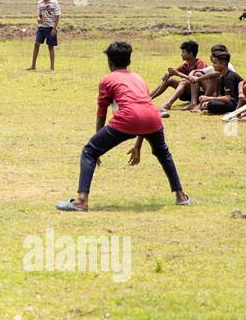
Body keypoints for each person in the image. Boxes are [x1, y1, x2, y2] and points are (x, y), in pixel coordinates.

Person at [58, 41, 189, 211]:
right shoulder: (138, 78)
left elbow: (102, 112)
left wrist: (98, 147)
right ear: (129, 61)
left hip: (128, 119)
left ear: (110, 62)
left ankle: (81, 201)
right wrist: (138, 145)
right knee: (163, 153)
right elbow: (143, 109)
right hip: (153, 118)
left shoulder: (107, 79)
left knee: (89, 151)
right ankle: (181, 196)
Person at [152, 39, 207, 108]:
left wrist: (178, 73)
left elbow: (196, 80)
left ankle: (168, 103)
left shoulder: (200, 63)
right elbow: (174, 72)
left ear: (190, 53)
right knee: (170, 80)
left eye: (183, 52)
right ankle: (148, 98)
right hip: (189, 93)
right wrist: (168, 75)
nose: (181, 54)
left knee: (184, 81)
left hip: (201, 93)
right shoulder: (186, 65)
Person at [194, 47, 243, 115]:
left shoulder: (229, 77)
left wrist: (208, 98)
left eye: (215, 63)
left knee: (210, 104)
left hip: (235, 103)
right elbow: (221, 95)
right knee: (209, 103)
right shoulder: (222, 76)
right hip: (228, 102)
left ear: (223, 64)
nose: (213, 66)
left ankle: (211, 109)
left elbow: (228, 98)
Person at [27, 0, 61, 71]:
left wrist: (54, 28)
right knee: (36, 44)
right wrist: (38, 19)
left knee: (50, 47)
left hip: (50, 27)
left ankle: (52, 67)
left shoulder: (54, 2)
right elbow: (38, 14)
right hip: (41, 27)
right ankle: (33, 65)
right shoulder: (40, 2)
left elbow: (57, 16)